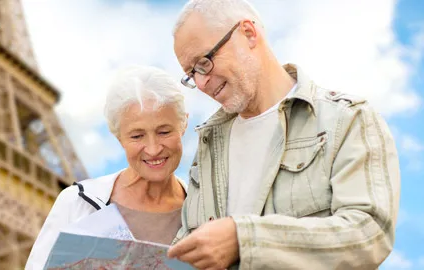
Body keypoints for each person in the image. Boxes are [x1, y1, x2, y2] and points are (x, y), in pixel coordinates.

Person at [166, 0, 401, 269]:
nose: (201, 82)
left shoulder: (347, 120)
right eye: (191, 75)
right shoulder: (209, 143)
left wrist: (245, 240)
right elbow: (188, 242)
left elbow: (369, 234)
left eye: (203, 64)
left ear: (248, 34)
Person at [25, 65, 189, 269]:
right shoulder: (76, 203)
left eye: (164, 132)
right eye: (137, 136)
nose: (153, 149)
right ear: (119, 138)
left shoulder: (205, 209)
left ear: (184, 125)